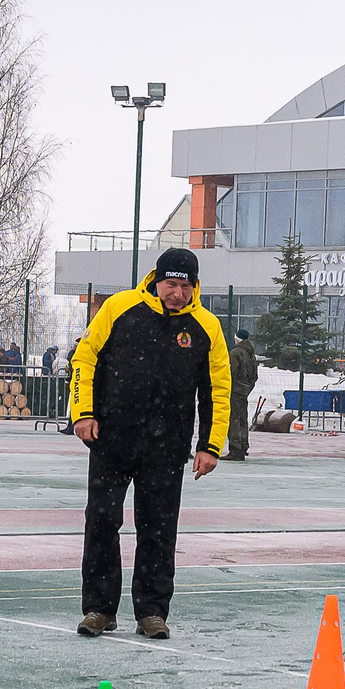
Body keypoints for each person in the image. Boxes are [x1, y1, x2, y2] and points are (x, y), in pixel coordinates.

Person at [70, 247, 229, 638]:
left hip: (167, 447)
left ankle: (152, 613)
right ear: (156, 281)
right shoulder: (118, 308)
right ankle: (99, 610)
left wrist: (210, 445)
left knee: (159, 529)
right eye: (171, 284)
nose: (177, 293)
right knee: (102, 521)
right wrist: (83, 413)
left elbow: (218, 390)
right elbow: (84, 360)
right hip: (111, 440)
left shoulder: (206, 328)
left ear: (195, 287)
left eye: (185, 286)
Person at [224, 326, 257, 461]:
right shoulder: (251, 354)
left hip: (235, 390)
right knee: (243, 419)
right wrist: (247, 388)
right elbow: (254, 376)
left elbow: (230, 373)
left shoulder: (235, 353)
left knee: (234, 419)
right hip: (244, 391)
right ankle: (243, 446)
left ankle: (235, 448)